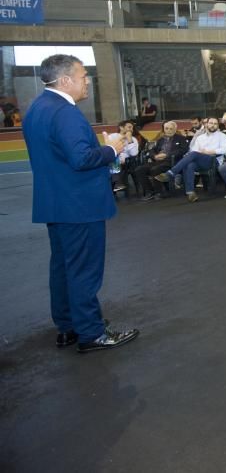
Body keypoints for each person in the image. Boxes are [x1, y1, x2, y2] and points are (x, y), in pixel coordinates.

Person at [22, 53, 138, 353]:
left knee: (62, 267)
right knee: (84, 271)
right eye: (83, 75)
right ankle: (91, 332)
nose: (87, 81)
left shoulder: (37, 108)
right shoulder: (66, 112)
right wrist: (111, 149)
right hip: (79, 204)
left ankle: (69, 325)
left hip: (56, 202)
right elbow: (82, 158)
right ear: (65, 80)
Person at [155, 118, 226, 202]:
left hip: (213, 160)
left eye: (215, 124)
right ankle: (190, 193)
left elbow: (224, 150)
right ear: (206, 124)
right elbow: (193, 149)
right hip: (199, 160)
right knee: (190, 165)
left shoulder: (222, 136)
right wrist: (199, 153)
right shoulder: (200, 137)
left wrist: (209, 152)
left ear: (218, 125)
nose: (213, 125)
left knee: (193, 154)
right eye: (211, 123)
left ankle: (171, 173)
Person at [134, 120, 188, 200]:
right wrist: (155, 156)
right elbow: (152, 150)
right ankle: (150, 192)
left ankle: (160, 192)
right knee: (139, 169)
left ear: (175, 129)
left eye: (171, 129)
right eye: (166, 128)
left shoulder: (181, 138)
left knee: (155, 169)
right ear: (164, 129)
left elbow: (183, 150)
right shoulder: (161, 139)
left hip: (172, 161)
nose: (168, 130)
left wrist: (167, 155)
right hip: (158, 160)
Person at [107, 121, 140, 194]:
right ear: (121, 127)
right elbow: (111, 149)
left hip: (128, 161)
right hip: (113, 159)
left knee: (115, 162)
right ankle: (115, 185)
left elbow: (134, 154)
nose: (131, 129)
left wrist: (129, 140)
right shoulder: (112, 136)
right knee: (114, 160)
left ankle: (117, 184)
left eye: (132, 128)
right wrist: (122, 138)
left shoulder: (133, 139)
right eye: (129, 127)